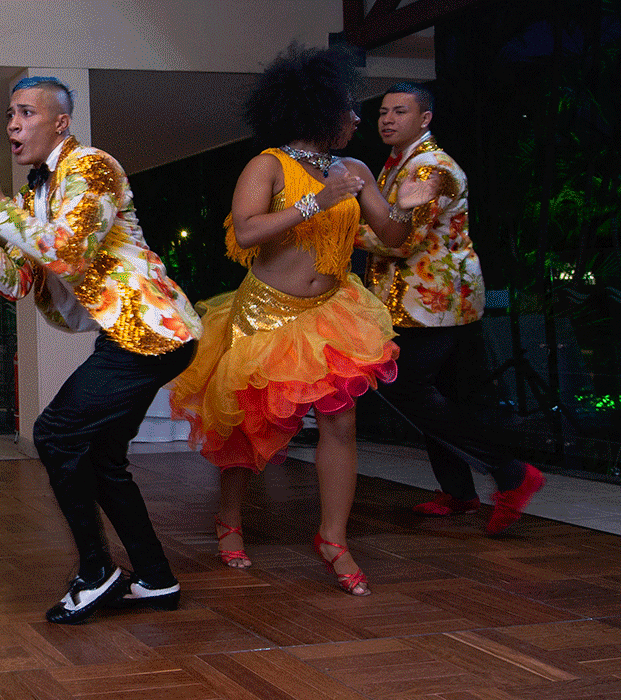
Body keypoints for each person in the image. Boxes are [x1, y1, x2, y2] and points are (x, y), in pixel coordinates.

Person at [0, 77, 200, 624]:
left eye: (25, 112)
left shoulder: (92, 166)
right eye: (9, 114)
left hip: (152, 329)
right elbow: (20, 283)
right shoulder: (35, 195)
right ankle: (156, 579)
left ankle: (97, 572)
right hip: (128, 335)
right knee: (101, 458)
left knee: (54, 433)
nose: (12, 124)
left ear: (61, 122)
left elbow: (70, 253)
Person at [170, 44, 434, 596]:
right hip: (264, 314)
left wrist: (406, 204)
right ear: (315, 111)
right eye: (348, 109)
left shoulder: (356, 169)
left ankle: (333, 538)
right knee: (248, 427)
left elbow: (391, 238)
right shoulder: (266, 164)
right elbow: (246, 232)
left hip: (331, 313)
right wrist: (319, 200)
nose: (358, 119)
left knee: (341, 423)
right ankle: (229, 518)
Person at [359, 82, 544, 534]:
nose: (387, 119)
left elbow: (399, 242)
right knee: (433, 395)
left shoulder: (430, 169)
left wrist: (335, 231)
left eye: (400, 112)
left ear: (424, 119)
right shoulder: (400, 163)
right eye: (383, 111)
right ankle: (459, 492)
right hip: (414, 303)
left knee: (407, 391)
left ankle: (513, 475)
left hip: (431, 305)